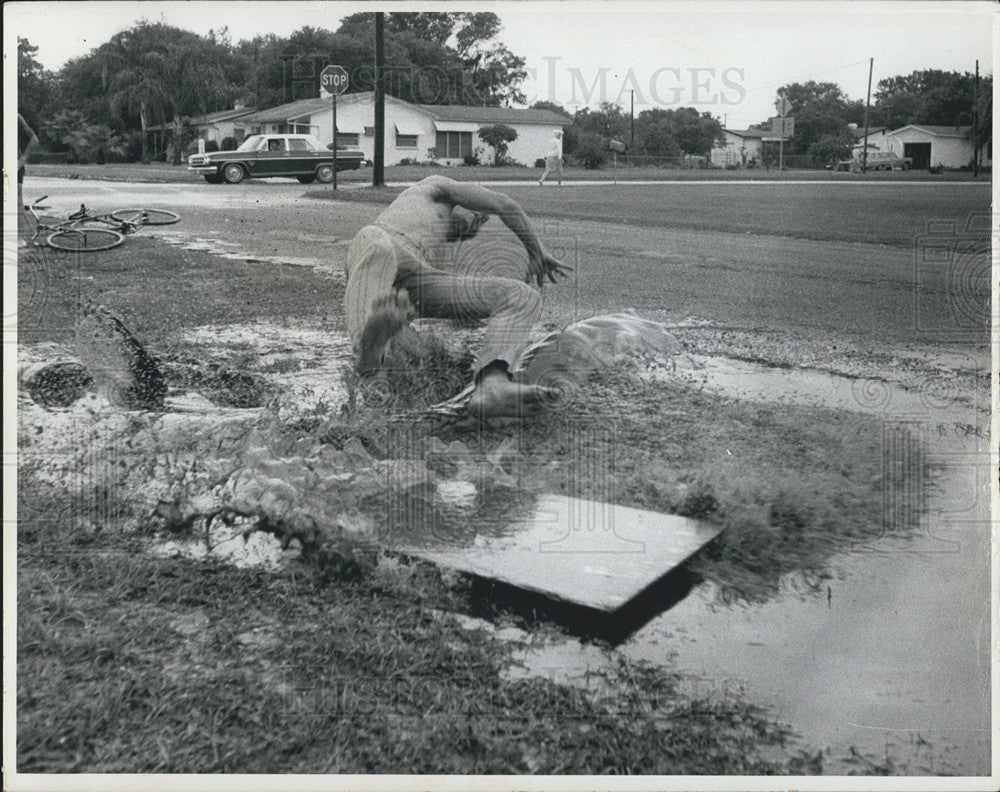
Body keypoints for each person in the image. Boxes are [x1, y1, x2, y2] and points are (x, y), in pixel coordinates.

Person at [343, 175, 571, 419]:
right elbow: (504, 204)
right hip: (383, 240)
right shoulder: (433, 186)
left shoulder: (439, 233)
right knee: (380, 250)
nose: (476, 224)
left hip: (415, 277)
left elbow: (457, 314)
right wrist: (536, 251)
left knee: (522, 296)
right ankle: (369, 348)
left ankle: (493, 384)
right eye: (475, 217)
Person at [17, 113, 40, 246]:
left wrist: (23, 159)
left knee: (17, 200)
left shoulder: (16, 117)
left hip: (13, 164)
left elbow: (34, 139)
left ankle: (19, 238)